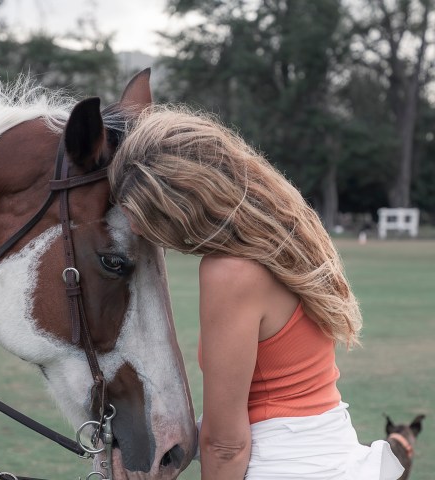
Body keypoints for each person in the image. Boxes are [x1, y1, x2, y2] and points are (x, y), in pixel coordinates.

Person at [109, 106, 404, 480]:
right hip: (330, 451)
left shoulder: (231, 271)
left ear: (184, 206)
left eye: (142, 212)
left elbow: (227, 445)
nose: (134, 226)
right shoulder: (286, 235)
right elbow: (273, 395)